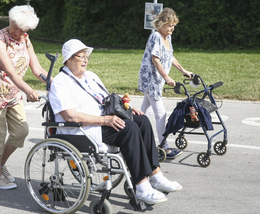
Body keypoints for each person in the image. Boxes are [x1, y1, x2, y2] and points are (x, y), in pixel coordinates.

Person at [49, 39, 182, 205]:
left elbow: (107, 100)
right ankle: (141, 186)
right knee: (130, 128)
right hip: (83, 129)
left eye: (87, 56)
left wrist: (127, 109)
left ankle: (156, 175)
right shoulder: (61, 82)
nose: (85, 60)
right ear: (68, 59)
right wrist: (104, 120)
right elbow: (71, 116)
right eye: (81, 56)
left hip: (103, 122)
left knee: (142, 121)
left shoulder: (91, 77)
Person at [0, 5, 49, 190]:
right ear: (9, 21)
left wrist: (54, 82)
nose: (18, 32)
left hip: (13, 92)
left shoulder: (25, 39)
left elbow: (37, 69)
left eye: (23, 29)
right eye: (15, 26)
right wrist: (28, 91)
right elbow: (10, 71)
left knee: (21, 131)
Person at [138, 8, 193, 158]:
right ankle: (164, 147)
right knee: (161, 114)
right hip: (151, 79)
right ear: (161, 24)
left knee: (144, 112)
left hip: (157, 80)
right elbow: (155, 59)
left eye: (174, 25)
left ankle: (131, 136)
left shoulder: (167, 37)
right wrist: (167, 77)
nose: (172, 28)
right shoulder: (156, 36)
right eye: (170, 25)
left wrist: (183, 71)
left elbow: (170, 56)